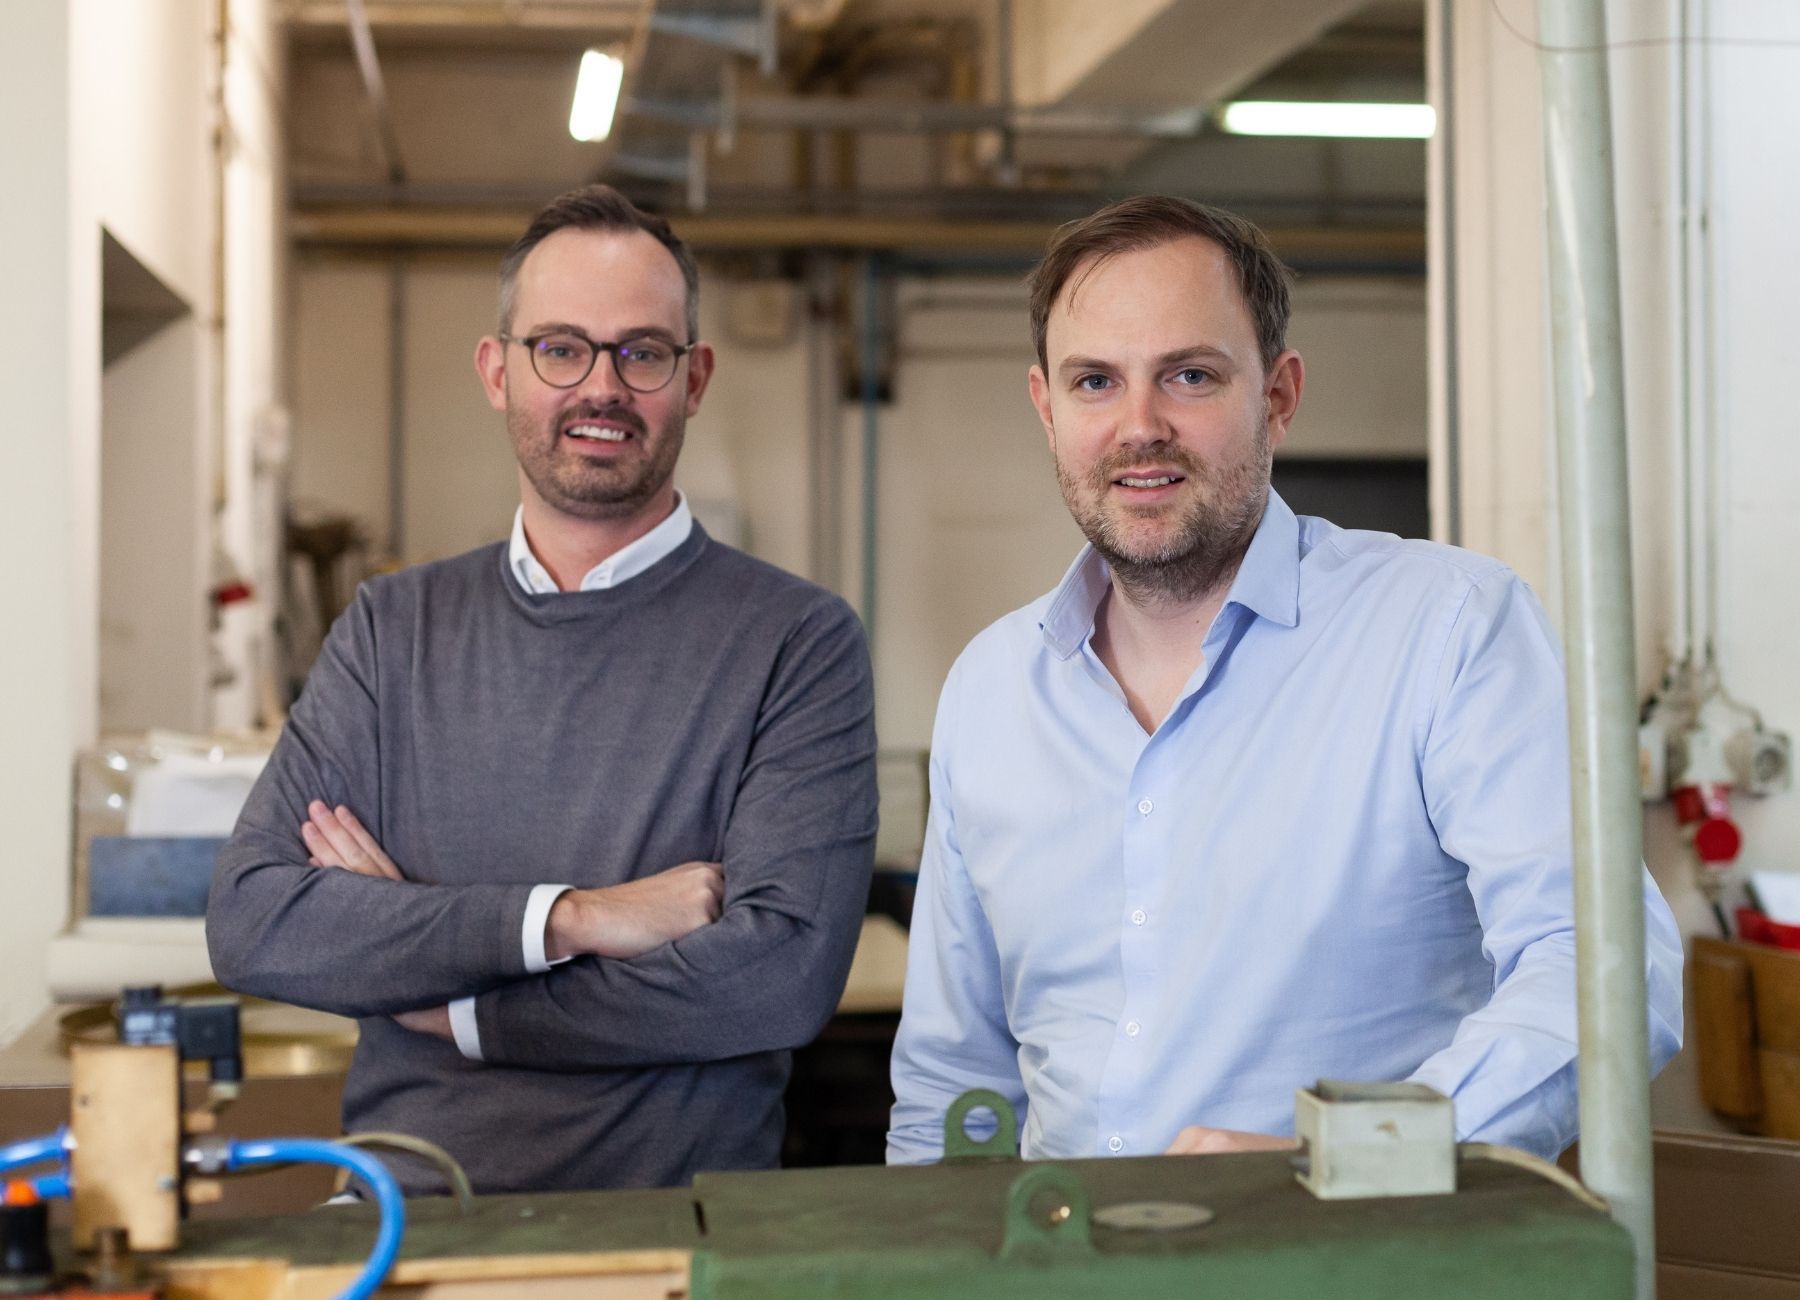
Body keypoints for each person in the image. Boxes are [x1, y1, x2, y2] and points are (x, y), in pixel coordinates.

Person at [886, 195, 1681, 1164]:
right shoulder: (990, 692)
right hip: (1062, 1244)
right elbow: (954, 1085)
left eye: (1190, 375)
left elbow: (1606, 970)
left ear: (1278, 395)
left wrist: (1354, 1156)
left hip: (1351, 1240)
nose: (1140, 426)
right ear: (1048, 410)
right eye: (1096, 382)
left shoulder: (1447, 630)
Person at [208, 184, 878, 1194]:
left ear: (694, 378)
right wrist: (570, 920)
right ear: (497, 370)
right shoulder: (393, 631)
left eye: (641, 352)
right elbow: (256, 920)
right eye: (560, 348)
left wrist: (454, 1004)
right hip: (407, 1216)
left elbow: (774, 979)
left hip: (670, 1230)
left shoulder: (797, 641)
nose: (601, 387)